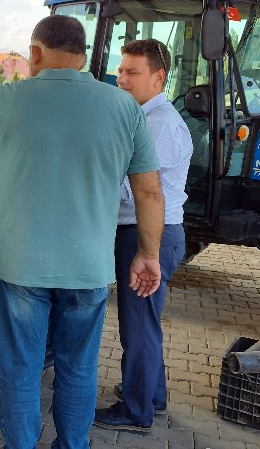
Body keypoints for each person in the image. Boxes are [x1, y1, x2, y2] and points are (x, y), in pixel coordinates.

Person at [0, 15, 165, 449]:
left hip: (21, 265)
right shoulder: (123, 107)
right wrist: (147, 254)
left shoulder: (7, 99)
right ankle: (73, 445)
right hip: (88, 267)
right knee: (78, 367)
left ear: (35, 54)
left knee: (20, 368)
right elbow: (148, 192)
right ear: (84, 55)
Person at [94, 39, 193, 432]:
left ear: (158, 77)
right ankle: (152, 395)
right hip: (145, 231)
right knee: (145, 321)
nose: (121, 79)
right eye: (120, 71)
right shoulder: (145, 119)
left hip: (149, 234)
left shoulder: (161, 124)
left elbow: (137, 188)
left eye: (131, 72)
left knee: (138, 325)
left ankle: (136, 413)